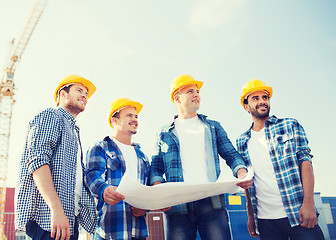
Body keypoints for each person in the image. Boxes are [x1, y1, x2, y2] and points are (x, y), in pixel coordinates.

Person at [150, 74, 253, 240]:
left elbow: (231, 154)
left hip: (211, 202)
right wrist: (160, 194)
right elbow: (156, 167)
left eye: (197, 91)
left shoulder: (212, 127)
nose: (196, 94)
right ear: (177, 98)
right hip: (178, 205)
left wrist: (241, 172)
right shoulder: (164, 133)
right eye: (190, 91)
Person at [236, 79, 325, 240]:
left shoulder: (290, 125)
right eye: (255, 98)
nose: (262, 101)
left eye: (265, 97)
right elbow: (247, 183)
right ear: (246, 106)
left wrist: (309, 203)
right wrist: (250, 215)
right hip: (265, 221)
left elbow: (305, 162)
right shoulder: (242, 141)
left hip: (298, 214)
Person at [15, 75, 98, 240]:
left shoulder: (73, 130)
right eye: (79, 90)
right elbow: (38, 161)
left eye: (86, 94)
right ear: (63, 95)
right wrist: (56, 209)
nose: (84, 96)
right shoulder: (51, 115)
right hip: (49, 219)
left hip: (67, 219)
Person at [85, 98, 151, 240]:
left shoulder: (143, 157)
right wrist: (103, 189)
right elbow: (92, 175)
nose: (134, 119)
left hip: (139, 232)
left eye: (136, 116)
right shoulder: (100, 147)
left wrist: (145, 206)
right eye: (129, 115)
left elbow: (149, 190)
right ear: (114, 120)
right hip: (109, 231)